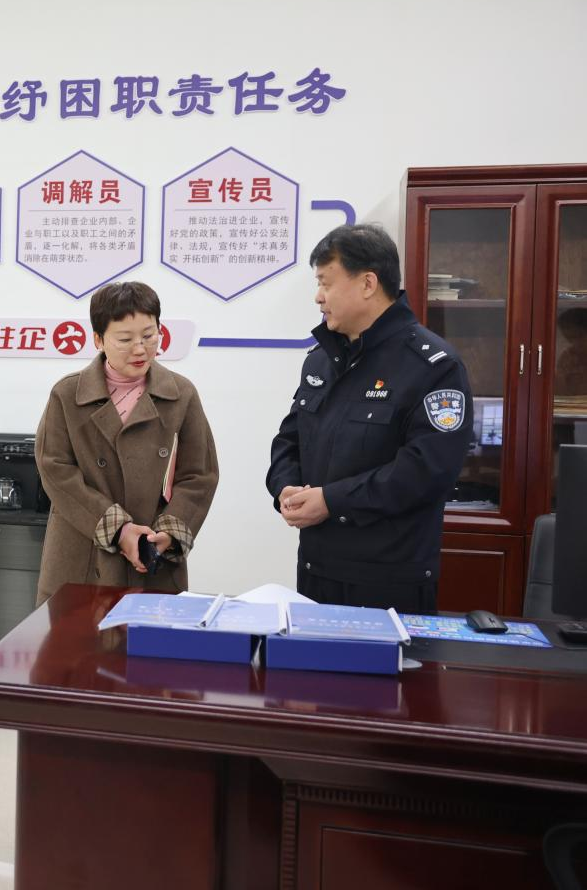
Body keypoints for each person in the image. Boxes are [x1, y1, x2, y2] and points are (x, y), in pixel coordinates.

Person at [268, 223, 473, 613]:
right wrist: (285, 488)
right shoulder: (321, 360)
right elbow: (290, 439)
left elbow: (427, 471)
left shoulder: (433, 366)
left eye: (326, 283)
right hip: (316, 572)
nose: (318, 296)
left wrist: (332, 501)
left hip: (389, 582)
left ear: (367, 284)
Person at [34, 281, 219, 605]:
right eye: (125, 339)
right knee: (76, 637)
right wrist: (118, 529)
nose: (140, 349)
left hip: (152, 555)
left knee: (148, 637)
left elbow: (199, 475)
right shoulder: (68, 394)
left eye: (149, 335)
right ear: (98, 339)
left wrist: (169, 533)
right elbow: (55, 470)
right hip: (81, 554)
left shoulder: (180, 394)